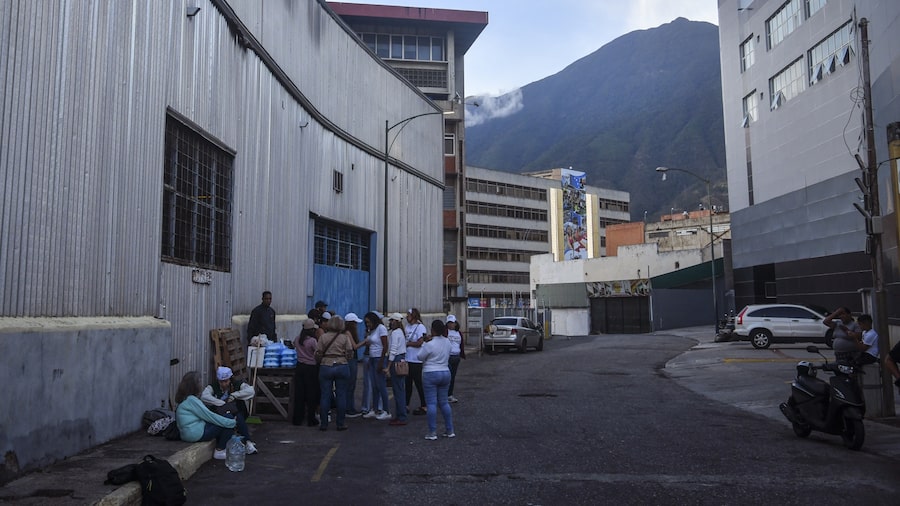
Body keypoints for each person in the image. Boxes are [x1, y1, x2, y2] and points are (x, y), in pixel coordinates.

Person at [175, 371, 257, 459]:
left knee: (227, 419)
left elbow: (250, 391)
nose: (201, 384)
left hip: (190, 433)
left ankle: (246, 442)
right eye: (199, 382)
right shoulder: (192, 400)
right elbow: (209, 416)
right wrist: (232, 422)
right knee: (228, 420)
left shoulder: (187, 399)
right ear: (194, 386)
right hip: (195, 434)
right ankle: (220, 450)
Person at [315, 315, 356, 431]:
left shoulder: (323, 337)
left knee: (325, 395)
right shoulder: (344, 338)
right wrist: (344, 358)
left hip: (326, 365)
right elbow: (350, 352)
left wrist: (320, 360)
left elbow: (318, 352)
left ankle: (324, 423)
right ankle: (340, 423)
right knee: (341, 394)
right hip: (341, 365)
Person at [418, 320, 455, 440]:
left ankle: (432, 432)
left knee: (431, 403)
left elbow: (420, 356)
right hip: (445, 371)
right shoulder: (447, 341)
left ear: (432, 330)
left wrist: (424, 343)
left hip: (430, 373)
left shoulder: (429, 344)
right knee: (444, 402)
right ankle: (450, 430)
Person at [361, 312, 392, 421]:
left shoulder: (381, 329)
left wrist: (381, 362)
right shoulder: (372, 330)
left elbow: (385, 346)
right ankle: (375, 409)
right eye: (366, 323)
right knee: (374, 386)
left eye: (368, 322)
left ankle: (386, 410)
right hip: (372, 358)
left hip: (379, 358)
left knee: (381, 385)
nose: (367, 324)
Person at [292, 319, 320, 427]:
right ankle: (311, 419)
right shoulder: (312, 341)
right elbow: (317, 353)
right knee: (311, 393)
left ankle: (297, 418)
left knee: (299, 393)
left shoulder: (297, 339)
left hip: (300, 367)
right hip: (311, 368)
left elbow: (294, 345)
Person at [404, 308, 428, 416]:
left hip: (416, 359)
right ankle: (406, 404)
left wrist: (408, 344)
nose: (407, 317)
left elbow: (420, 342)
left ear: (413, 315)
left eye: (408, 315)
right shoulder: (407, 327)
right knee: (407, 383)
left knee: (418, 383)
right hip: (408, 358)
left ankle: (424, 404)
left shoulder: (420, 327)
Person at [385, 312, 408, 426]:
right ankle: (400, 414)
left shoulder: (395, 333)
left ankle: (401, 416)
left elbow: (393, 350)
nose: (390, 322)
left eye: (391, 320)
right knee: (400, 389)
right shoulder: (401, 332)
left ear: (395, 321)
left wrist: (388, 366)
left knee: (397, 390)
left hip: (396, 360)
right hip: (402, 359)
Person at [343, 313, 365, 418]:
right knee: (350, 384)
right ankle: (349, 408)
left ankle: (349, 407)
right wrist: (365, 342)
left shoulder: (346, 332)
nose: (356, 325)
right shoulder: (347, 333)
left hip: (352, 359)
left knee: (350, 385)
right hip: (351, 360)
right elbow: (354, 346)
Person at [446, 314, 465, 403]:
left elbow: (461, 344)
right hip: (448, 356)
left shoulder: (458, 333)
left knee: (452, 377)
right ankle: (445, 394)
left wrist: (461, 353)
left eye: (452, 323)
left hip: (456, 356)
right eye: (449, 323)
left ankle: (449, 394)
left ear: (455, 323)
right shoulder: (446, 332)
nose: (450, 325)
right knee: (448, 376)